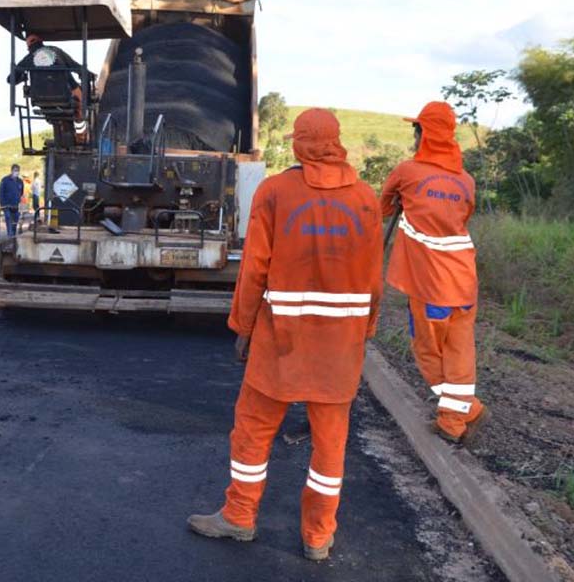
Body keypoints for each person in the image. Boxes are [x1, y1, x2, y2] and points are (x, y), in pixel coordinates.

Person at [187, 109, 383, 561]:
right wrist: (366, 330)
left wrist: (243, 327)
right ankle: (317, 537)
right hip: (340, 345)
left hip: (281, 340)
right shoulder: (366, 199)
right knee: (330, 445)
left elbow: (254, 267)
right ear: (336, 142)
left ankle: (239, 516)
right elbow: (374, 279)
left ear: (298, 143)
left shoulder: (275, 193)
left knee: (253, 432)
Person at [381, 101, 488, 445]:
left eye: (416, 132)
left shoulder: (407, 172)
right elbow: (462, 218)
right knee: (460, 352)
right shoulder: (466, 181)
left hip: (430, 283)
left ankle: (462, 413)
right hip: (464, 280)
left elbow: (382, 209)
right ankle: (455, 418)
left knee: (428, 351)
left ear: (422, 135)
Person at [0, 164, 24, 237]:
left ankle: (13, 238)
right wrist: (3, 205)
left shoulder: (20, 181)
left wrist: (21, 205)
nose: (17, 172)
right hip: (7, 206)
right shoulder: (5, 180)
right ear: (12, 171)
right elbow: (1, 193)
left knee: (14, 225)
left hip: (16, 206)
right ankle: (10, 238)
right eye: (15, 170)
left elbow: (21, 193)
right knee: (9, 221)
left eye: (18, 171)